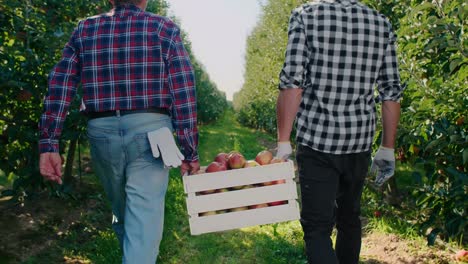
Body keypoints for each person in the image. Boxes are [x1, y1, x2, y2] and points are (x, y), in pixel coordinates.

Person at [38, 0, 200, 262]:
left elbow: (61, 82)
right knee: (142, 218)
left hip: (101, 132)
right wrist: (189, 149)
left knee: (122, 210)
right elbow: (183, 89)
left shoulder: (85, 29)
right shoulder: (163, 28)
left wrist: (49, 143)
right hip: (152, 134)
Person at [275, 0, 403, 263]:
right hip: (359, 142)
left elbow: (293, 81)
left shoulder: (306, 15)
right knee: (349, 219)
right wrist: (388, 147)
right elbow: (390, 90)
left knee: (317, 228)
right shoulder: (381, 23)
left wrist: (284, 141)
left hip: (317, 140)